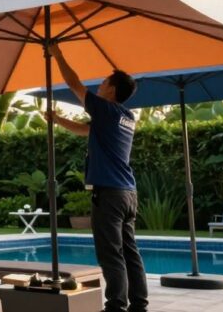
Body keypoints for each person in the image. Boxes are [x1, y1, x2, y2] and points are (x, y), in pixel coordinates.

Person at [48, 43, 148, 312]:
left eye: (104, 82)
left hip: (110, 194)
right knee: (130, 252)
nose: (100, 85)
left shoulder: (106, 108)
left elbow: (74, 84)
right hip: (128, 194)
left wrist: (57, 54)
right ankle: (139, 305)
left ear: (112, 90)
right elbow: (85, 131)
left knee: (111, 253)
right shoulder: (125, 116)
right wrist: (56, 120)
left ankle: (115, 306)